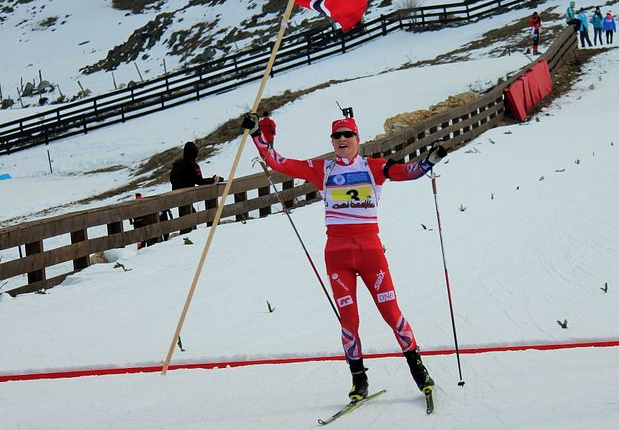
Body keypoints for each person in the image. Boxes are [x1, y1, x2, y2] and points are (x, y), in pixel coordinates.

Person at [242, 112, 444, 402]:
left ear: (357, 139)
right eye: (337, 136)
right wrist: (257, 137)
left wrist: (429, 161)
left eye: (347, 134)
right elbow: (278, 162)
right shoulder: (321, 169)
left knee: (391, 313)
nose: (342, 140)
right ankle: (358, 380)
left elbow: (406, 172)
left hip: (370, 252)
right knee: (349, 321)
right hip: (337, 255)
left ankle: (419, 371)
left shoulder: (373, 167)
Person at [169, 141, 223, 233]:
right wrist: (213, 180)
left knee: (186, 217)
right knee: (191, 219)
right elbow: (200, 181)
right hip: (188, 195)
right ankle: (189, 234)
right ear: (195, 153)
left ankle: (187, 233)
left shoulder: (176, 164)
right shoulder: (194, 165)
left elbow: (171, 179)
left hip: (176, 195)